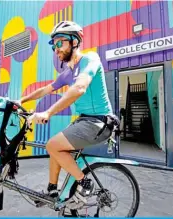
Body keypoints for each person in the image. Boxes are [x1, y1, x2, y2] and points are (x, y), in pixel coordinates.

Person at [18, 21, 115, 204]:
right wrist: (20, 101)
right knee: (55, 147)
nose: (56, 49)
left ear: (75, 42)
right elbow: (46, 89)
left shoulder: (90, 59)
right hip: (83, 121)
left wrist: (47, 113)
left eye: (60, 42)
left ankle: (85, 183)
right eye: (53, 45)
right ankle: (52, 192)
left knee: (52, 145)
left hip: (98, 122)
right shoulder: (68, 72)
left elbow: (79, 88)